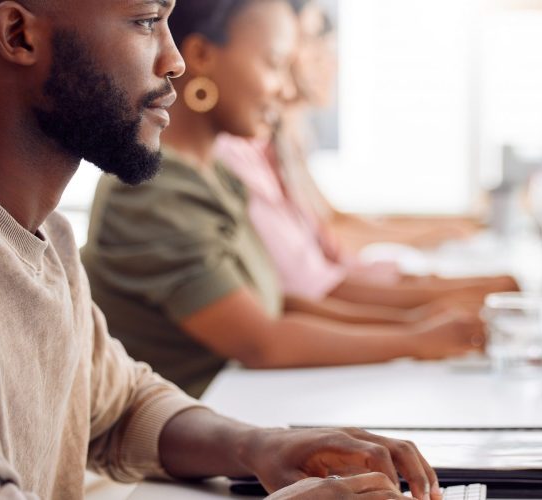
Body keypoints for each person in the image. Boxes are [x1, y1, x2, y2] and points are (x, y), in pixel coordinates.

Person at [0, 0, 443, 498]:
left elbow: (120, 402)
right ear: (18, 35)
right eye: (147, 20)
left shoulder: (40, 235)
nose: (175, 59)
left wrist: (262, 446)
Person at [81, 0, 486, 399]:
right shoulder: (156, 188)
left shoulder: (215, 173)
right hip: (175, 442)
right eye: (274, 65)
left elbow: (277, 303)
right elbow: (263, 342)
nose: (287, 88)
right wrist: (414, 339)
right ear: (202, 55)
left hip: (237, 410)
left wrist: (415, 322)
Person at [214, 0, 519, 309]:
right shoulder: (236, 150)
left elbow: (329, 238)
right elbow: (324, 260)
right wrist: (442, 305)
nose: (327, 59)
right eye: (310, 40)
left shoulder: (278, 141)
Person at [268, 0, 484, 256]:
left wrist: (442, 226)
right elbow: (329, 235)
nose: (328, 61)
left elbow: (332, 218)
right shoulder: (260, 141)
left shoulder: (291, 135)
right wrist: (427, 236)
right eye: (311, 41)